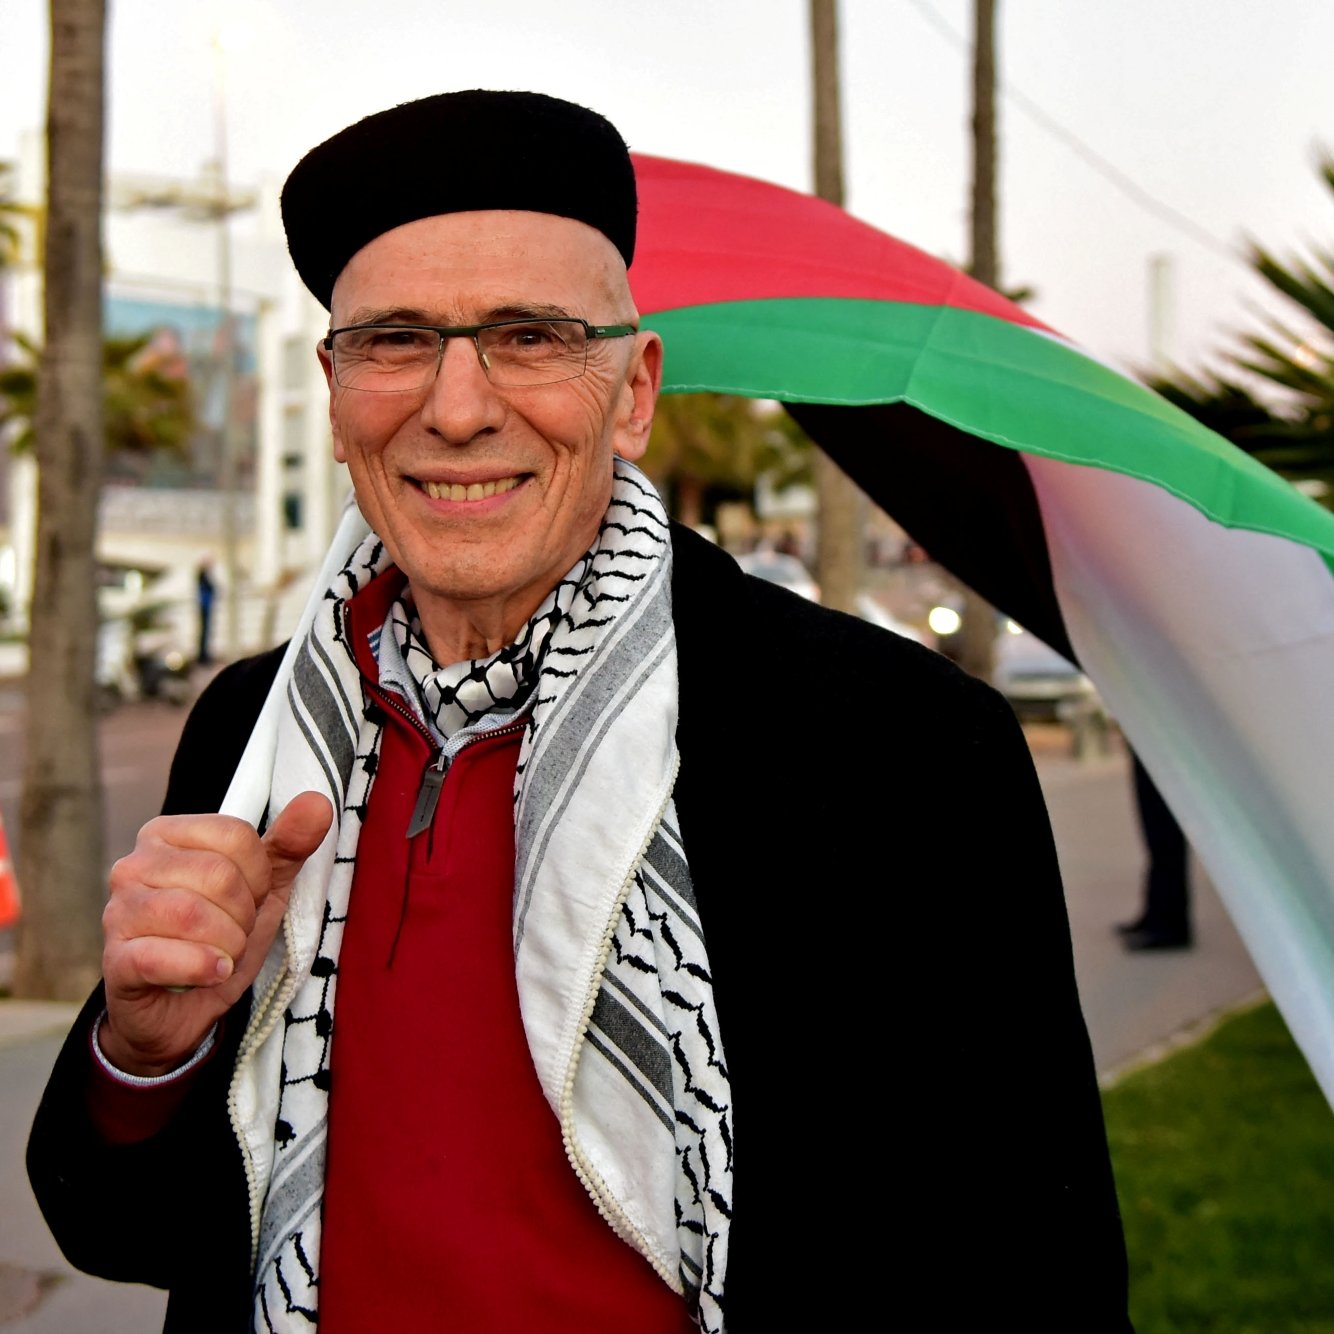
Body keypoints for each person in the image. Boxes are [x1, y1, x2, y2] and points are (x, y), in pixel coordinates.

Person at [27, 91, 1132, 1332]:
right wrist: (146, 1049)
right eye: (394, 340)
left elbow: (1036, 1272)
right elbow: (125, 1229)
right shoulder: (252, 723)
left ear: (633, 389)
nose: (455, 407)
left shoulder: (896, 747)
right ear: (334, 396)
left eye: (528, 336)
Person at [1118, 747, 1193, 950]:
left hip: (1163, 747)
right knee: (1155, 833)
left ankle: (1169, 923)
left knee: (1163, 833)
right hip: (1149, 744)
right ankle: (1156, 913)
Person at [195, 558, 216, 666]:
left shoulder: (202, 576)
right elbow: (211, 588)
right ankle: (203, 656)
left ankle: (203, 655)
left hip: (206, 605)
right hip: (205, 606)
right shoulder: (203, 576)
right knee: (205, 632)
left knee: (205, 632)